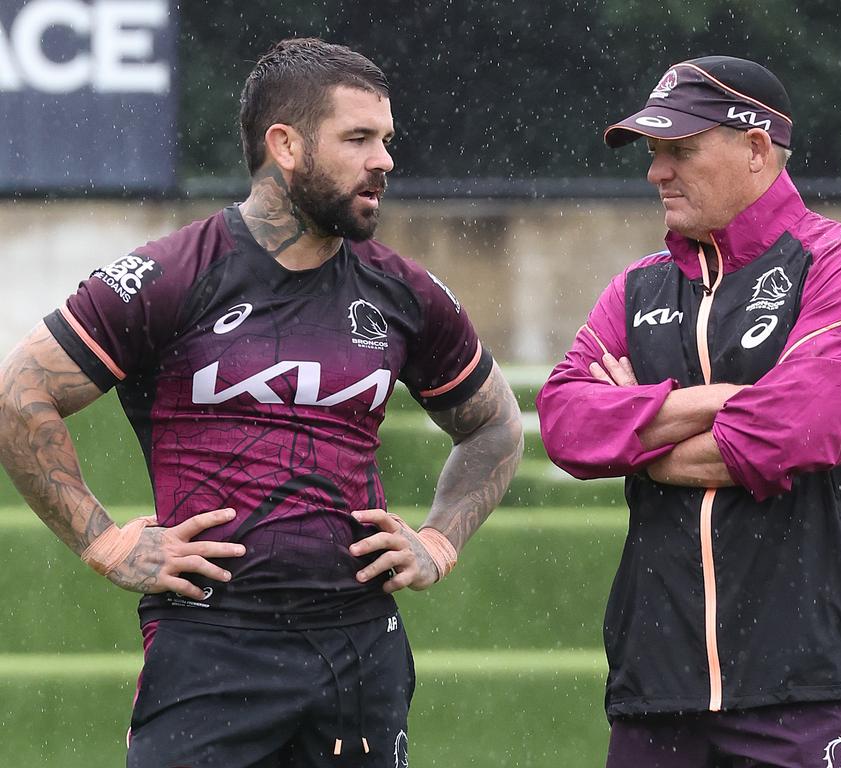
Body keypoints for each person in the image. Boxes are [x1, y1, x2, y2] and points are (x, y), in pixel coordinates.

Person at [0, 38, 523, 768]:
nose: (385, 161)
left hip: (359, 651)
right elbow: (18, 394)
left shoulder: (405, 293)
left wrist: (437, 541)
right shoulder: (170, 274)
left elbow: (495, 426)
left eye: (387, 140)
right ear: (286, 145)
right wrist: (104, 542)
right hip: (209, 648)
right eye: (359, 138)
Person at [536, 56, 841, 768]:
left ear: (755, 148)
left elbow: (787, 433)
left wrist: (637, 433)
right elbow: (563, 424)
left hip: (809, 688)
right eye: (653, 154)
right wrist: (713, 401)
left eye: (680, 150)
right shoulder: (633, 291)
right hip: (656, 692)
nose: (657, 173)